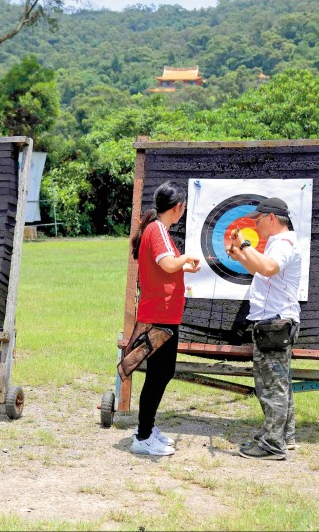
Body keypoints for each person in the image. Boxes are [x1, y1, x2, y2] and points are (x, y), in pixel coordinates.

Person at [226, 197, 302, 460]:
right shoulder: (277, 242)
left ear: (272, 218)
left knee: (272, 386)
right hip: (274, 322)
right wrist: (240, 254)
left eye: (258, 220)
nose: (255, 225)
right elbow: (260, 270)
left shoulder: (284, 242)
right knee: (279, 383)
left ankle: (272, 445)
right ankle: (285, 437)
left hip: (275, 322)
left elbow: (268, 268)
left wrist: (245, 245)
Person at [129, 181, 201, 456]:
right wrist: (185, 259)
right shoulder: (157, 229)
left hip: (163, 311)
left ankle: (146, 429)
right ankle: (143, 435)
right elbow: (167, 263)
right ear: (178, 207)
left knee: (161, 373)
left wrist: (183, 266)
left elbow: (167, 268)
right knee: (159, 375)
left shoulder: (158, 229)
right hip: (159, 313)